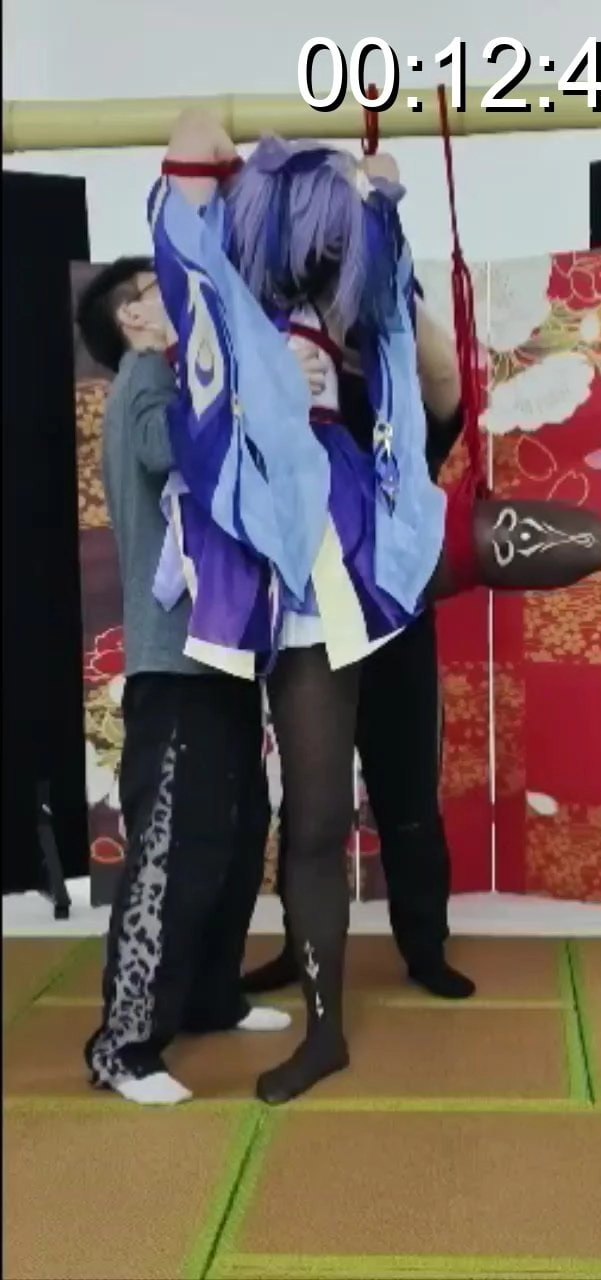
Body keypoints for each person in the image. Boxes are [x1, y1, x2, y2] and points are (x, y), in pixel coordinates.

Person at [150, 111, 450, 1104]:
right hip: (245, 533)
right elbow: (194, 175)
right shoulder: (218, 295)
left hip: (319, 538)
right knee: (253, 803)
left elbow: (401, 318)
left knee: (316, 809)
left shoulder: (340, 304)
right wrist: (226, 163)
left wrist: (377, 191)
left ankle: (325, 1029)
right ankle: (256, 978)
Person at [75, 258, 327, 1105]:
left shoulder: (182, 380)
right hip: (174, 663)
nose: (181, 295)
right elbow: (170, 445)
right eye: (161, 289)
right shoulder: (145, 377)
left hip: (221, 653)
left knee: (234, 833)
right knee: (172, 850)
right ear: (134, 320)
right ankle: (123, 1046)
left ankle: (211, 995)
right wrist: (265, 382)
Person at [244, 349, 477, 1001]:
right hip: (311, 636)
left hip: (396, 635)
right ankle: (302, 947)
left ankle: (425, 949)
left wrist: (399, 305)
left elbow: (445, 383)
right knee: (307, 807)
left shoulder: (393, 406)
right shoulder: (280, 395)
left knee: (408, 799)